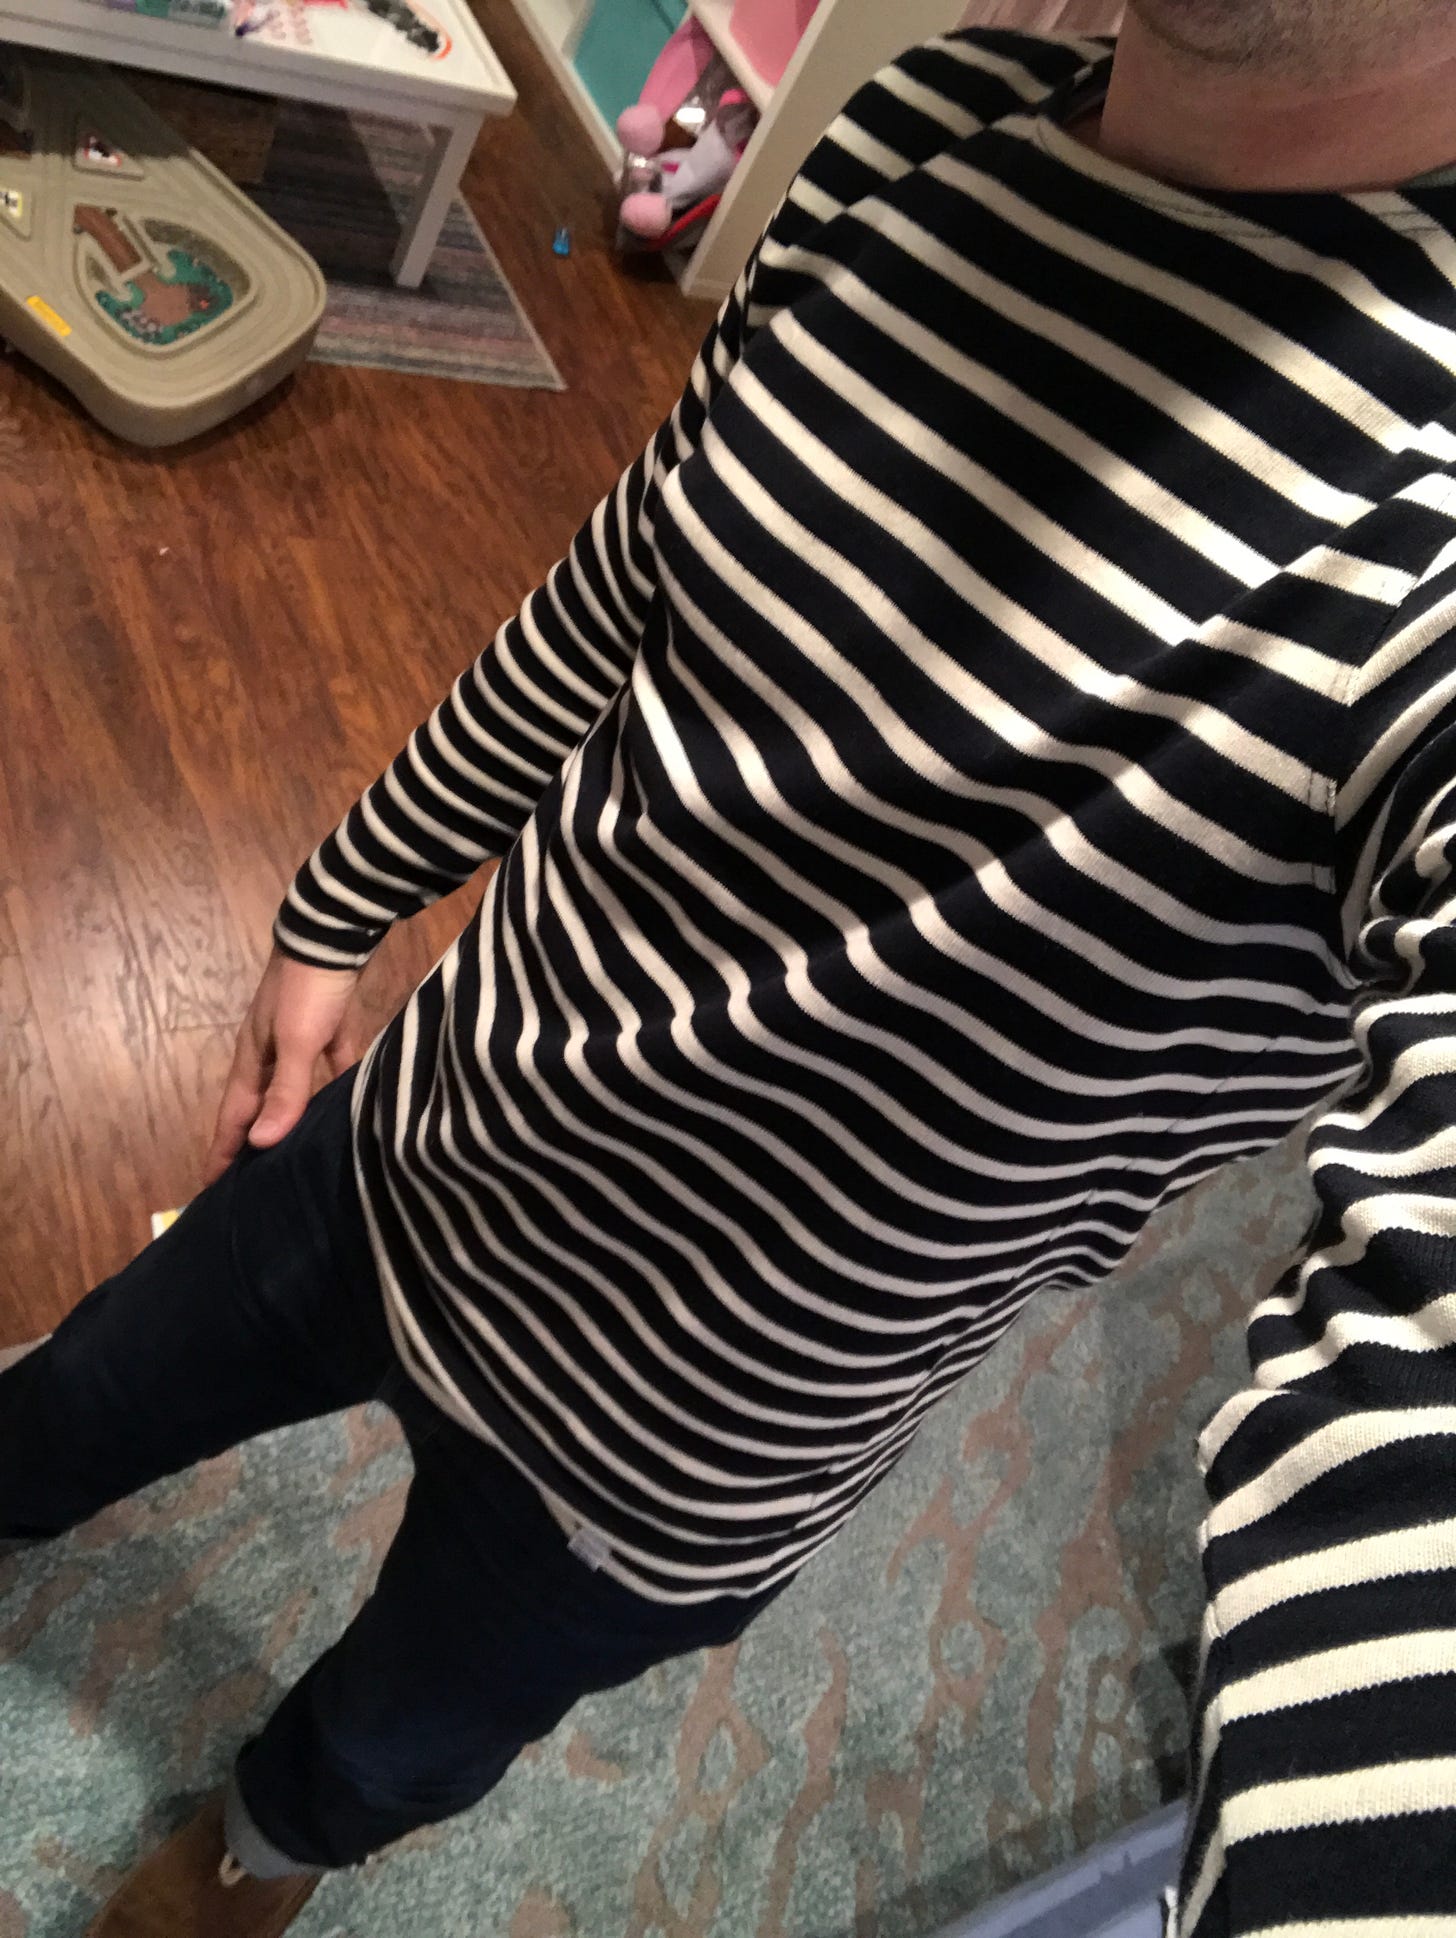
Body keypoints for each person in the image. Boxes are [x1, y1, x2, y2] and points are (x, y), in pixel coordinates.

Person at [4, 1, 1456, 1931]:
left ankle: (251, 1860)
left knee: (377, 1752)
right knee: (66, 1404)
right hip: (415, 1138)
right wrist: (348, 895)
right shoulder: (927, 124)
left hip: (675, 1451)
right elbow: (632, 581)